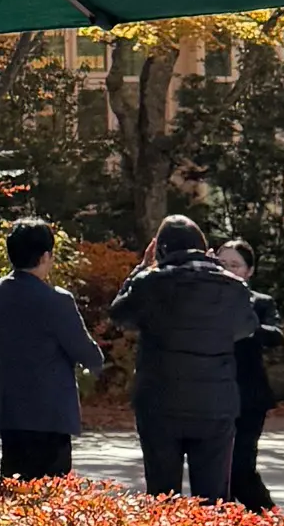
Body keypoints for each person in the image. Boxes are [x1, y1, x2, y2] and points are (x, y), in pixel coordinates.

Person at [104, 214, 259, 501]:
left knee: (163, 498)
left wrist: (139, 269)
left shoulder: (149, 283)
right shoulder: (233, 287)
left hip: (159, 403)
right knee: (212, 500)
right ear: (203, 248)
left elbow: (119, 315)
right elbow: (246, 327)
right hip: (215, 404)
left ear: (161, 250)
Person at [0, 216, 104, 482]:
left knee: (14, 492)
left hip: (9, 409)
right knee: (51, 501)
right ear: (45, 256)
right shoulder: (57, 301)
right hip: (50, 414)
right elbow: (87, 353)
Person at [214, 232, 282, 512]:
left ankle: (270, 518)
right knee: (215, 467)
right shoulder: (203, 299)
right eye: (221, 263)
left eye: (235, 265)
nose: (228, 270)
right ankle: (224, 523)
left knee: (241, 465)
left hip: (248, 395)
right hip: (210, 392)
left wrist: (246, 319)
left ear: (249, 270)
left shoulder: (259, 302)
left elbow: (275, 334)